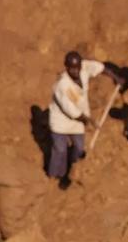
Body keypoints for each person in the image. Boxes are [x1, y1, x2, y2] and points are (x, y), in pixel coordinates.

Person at [48, 51, 123, 189]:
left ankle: (71, 173)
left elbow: (100, 68)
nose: (75, 71)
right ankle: (55, 175)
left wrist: (115, 77)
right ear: (66, 67)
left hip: (79, 120)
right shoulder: (62, 85)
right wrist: (90, 121)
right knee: (60, 149)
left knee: (79, 148)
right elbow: (71, 111)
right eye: (72, 68)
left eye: (77, 68)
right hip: (62, 121)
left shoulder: (84, 68)